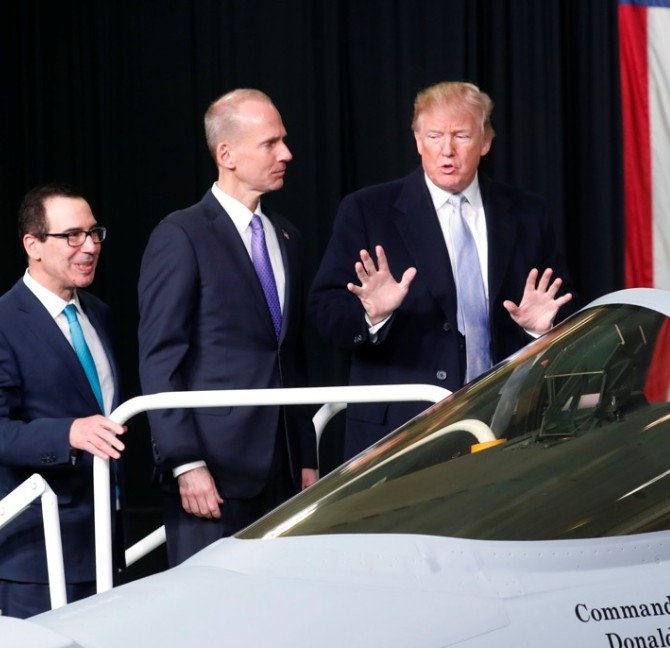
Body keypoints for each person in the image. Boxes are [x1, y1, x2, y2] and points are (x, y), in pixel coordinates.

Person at [310, 81, 576, 458]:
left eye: (461, 135)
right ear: (418, 140)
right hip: (402, 432)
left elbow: (561, 302)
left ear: (485, 141)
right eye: (434, 135)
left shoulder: (527, 213)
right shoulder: (368, 211)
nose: (446, 150)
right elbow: (325, 314)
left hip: (507, 425)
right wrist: (372, 315)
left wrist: (539, 329)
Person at [138, 89, 316, 567]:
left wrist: (305, 455)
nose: (287, 154)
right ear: (227, 154)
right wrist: (185, 463)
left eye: (285, 141)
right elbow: (160, 359)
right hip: (211, 478)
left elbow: (290, 356)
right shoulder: (180, 235)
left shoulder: (287, 236)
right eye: (271, 143)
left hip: (282, 473)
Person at [0, 184, 126, 618]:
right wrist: (69, 432)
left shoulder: (100, 314)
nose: (89, 247)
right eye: (72, 235)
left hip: (106, 544)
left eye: (94, 233)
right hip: (38, 554)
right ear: (32, 245)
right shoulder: (3, 321)